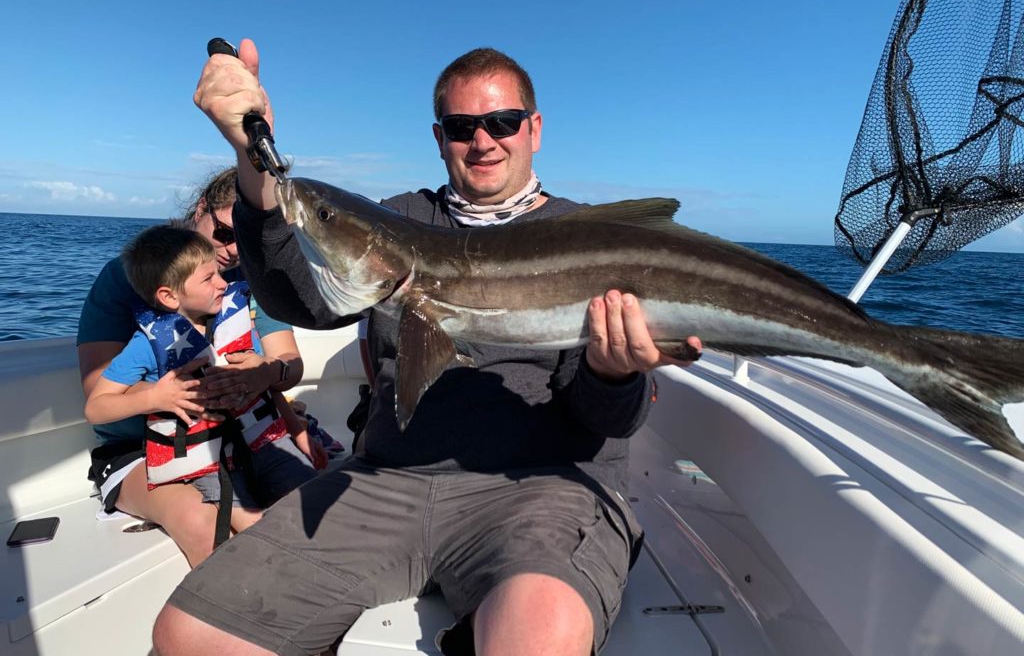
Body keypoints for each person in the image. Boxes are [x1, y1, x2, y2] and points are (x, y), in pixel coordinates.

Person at [153, 40, 701, 655]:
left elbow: (609, 422)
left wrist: (611, 371)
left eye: (503, 122)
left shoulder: (594, 238)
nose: (484, 140)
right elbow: (294, 296)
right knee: (189, 636)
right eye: (463, 127)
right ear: (439, 137)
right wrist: (251, 156)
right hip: (390, 477)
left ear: (534, 129)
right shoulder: (398, 220)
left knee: (540, 637)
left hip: (543, 485)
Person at [76, 167, 316, 567]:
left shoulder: (250, 281)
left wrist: (265, 374)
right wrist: (173, 395)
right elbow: (98, 393)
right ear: (201, 208)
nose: (234, 250)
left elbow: (290, 365)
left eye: (248, 237)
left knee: (316, 500)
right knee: (203, 521)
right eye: (224, 232)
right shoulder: (126, 277)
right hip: (143, 448)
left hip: (241, 438)